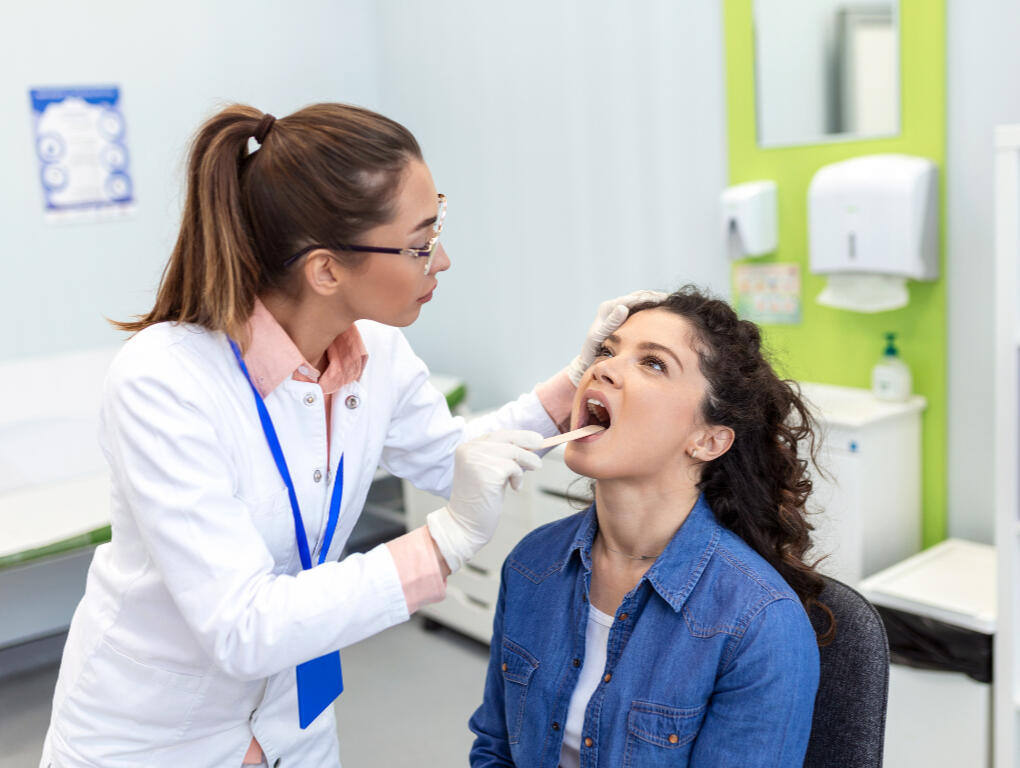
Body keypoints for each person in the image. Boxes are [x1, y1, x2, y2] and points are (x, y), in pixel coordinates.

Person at [39, 102, 660, 768]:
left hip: (293, 720)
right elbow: (242, 626)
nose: (442, 259)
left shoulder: (377, 354)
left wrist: (573, 380)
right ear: (326, 270)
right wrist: (443, 543)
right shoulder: (164, 380)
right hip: (151, 736)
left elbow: (454, 456)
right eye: (421, 242)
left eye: (438, 225)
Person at [469, 286, 832, 767]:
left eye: (654, 363)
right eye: (607, 350)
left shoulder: (760, 623)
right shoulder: (533, 563)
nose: (602, 368)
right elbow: (495, 748)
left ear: (708, 440)